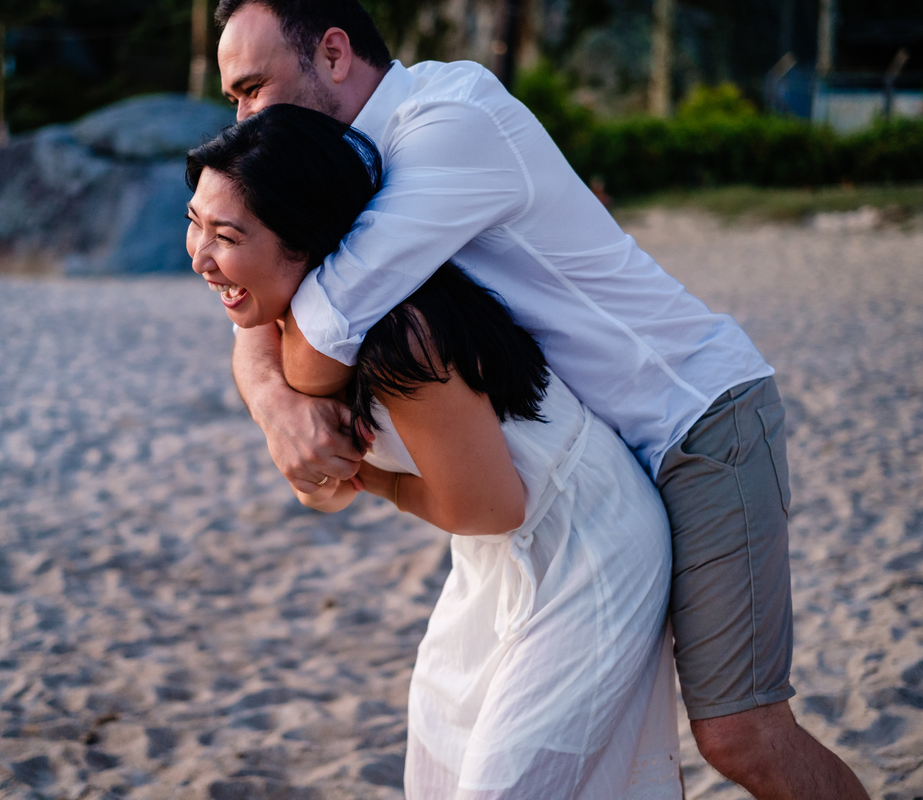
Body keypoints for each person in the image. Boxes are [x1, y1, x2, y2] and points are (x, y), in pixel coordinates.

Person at [213, 2, 870, 798]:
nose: (245, 118)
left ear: (335, 52)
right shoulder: (355, 163)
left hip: (694, 420)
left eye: (253, 89)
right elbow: (267, 295)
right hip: (594, 471)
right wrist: (271, 403)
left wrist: (289, 400)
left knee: (741, 733)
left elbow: (319, 329)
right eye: (233, 100)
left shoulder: (443, 128)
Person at [187, 102, 681, 799]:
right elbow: (318, 491)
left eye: (226, 235)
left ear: (304, 242)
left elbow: (489, 505)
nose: (201, 258)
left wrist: (376, 483)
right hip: (494, 561)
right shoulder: (297, 325)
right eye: (193, 223)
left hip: (587, 544)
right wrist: (299, 435)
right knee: (447, 760)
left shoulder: (400, 335)